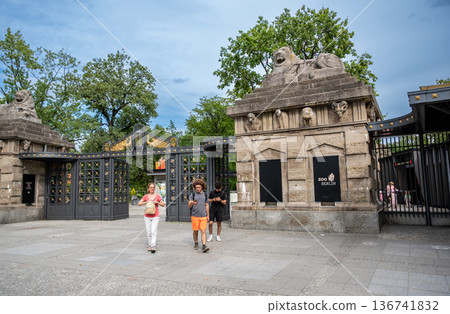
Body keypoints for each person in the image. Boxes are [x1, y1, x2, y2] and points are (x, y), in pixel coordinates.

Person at [138, 182, 165, 253]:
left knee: (153, 231)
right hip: (147, 216)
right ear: (148, 188)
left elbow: (163, 204)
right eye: (151, 187)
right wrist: (145, 202)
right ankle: (150, 245)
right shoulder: (146, 196)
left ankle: (153, 246)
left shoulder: (157, 196)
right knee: (148, 232)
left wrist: (157, 202)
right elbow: (139, 203)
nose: (152, 189)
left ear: (154, 189)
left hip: (155, 216)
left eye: (153, 187)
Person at [188, 179, 209, 253]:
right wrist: (192, 203)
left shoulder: (205, 195)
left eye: (199, 187)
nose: (197, 189)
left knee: (203, 230)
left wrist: (208, 215)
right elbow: (189, 206)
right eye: (196, 187)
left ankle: (204, 245)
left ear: (202, 187)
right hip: (195, 216)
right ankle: (196, 243)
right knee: (195, 230)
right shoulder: (192, 195)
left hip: (203, 216)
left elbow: (206, 205)